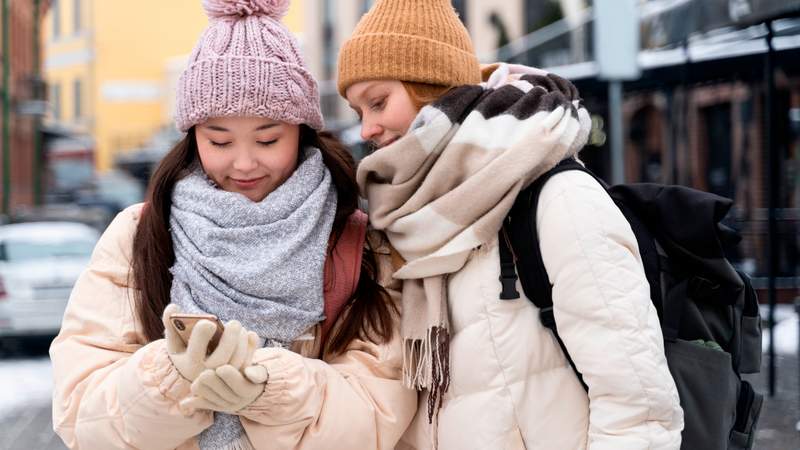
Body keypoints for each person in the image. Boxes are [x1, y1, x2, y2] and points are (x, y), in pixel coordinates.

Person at [49, 1, 417, 449]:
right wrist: (171, 376)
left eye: (267, 139)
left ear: (302, 131)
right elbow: (80, 416)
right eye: (218, 140)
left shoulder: (357, 240)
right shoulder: (140, 236)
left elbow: (381, 415)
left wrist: (273, 391)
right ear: (192, 136)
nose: (244, 163)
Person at [337, 0, 684, 449]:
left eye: (378, 102)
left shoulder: (555, 197)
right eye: (357, 111)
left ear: (428, 82)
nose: (367, 129)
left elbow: (637, 404)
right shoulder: (402, 222)